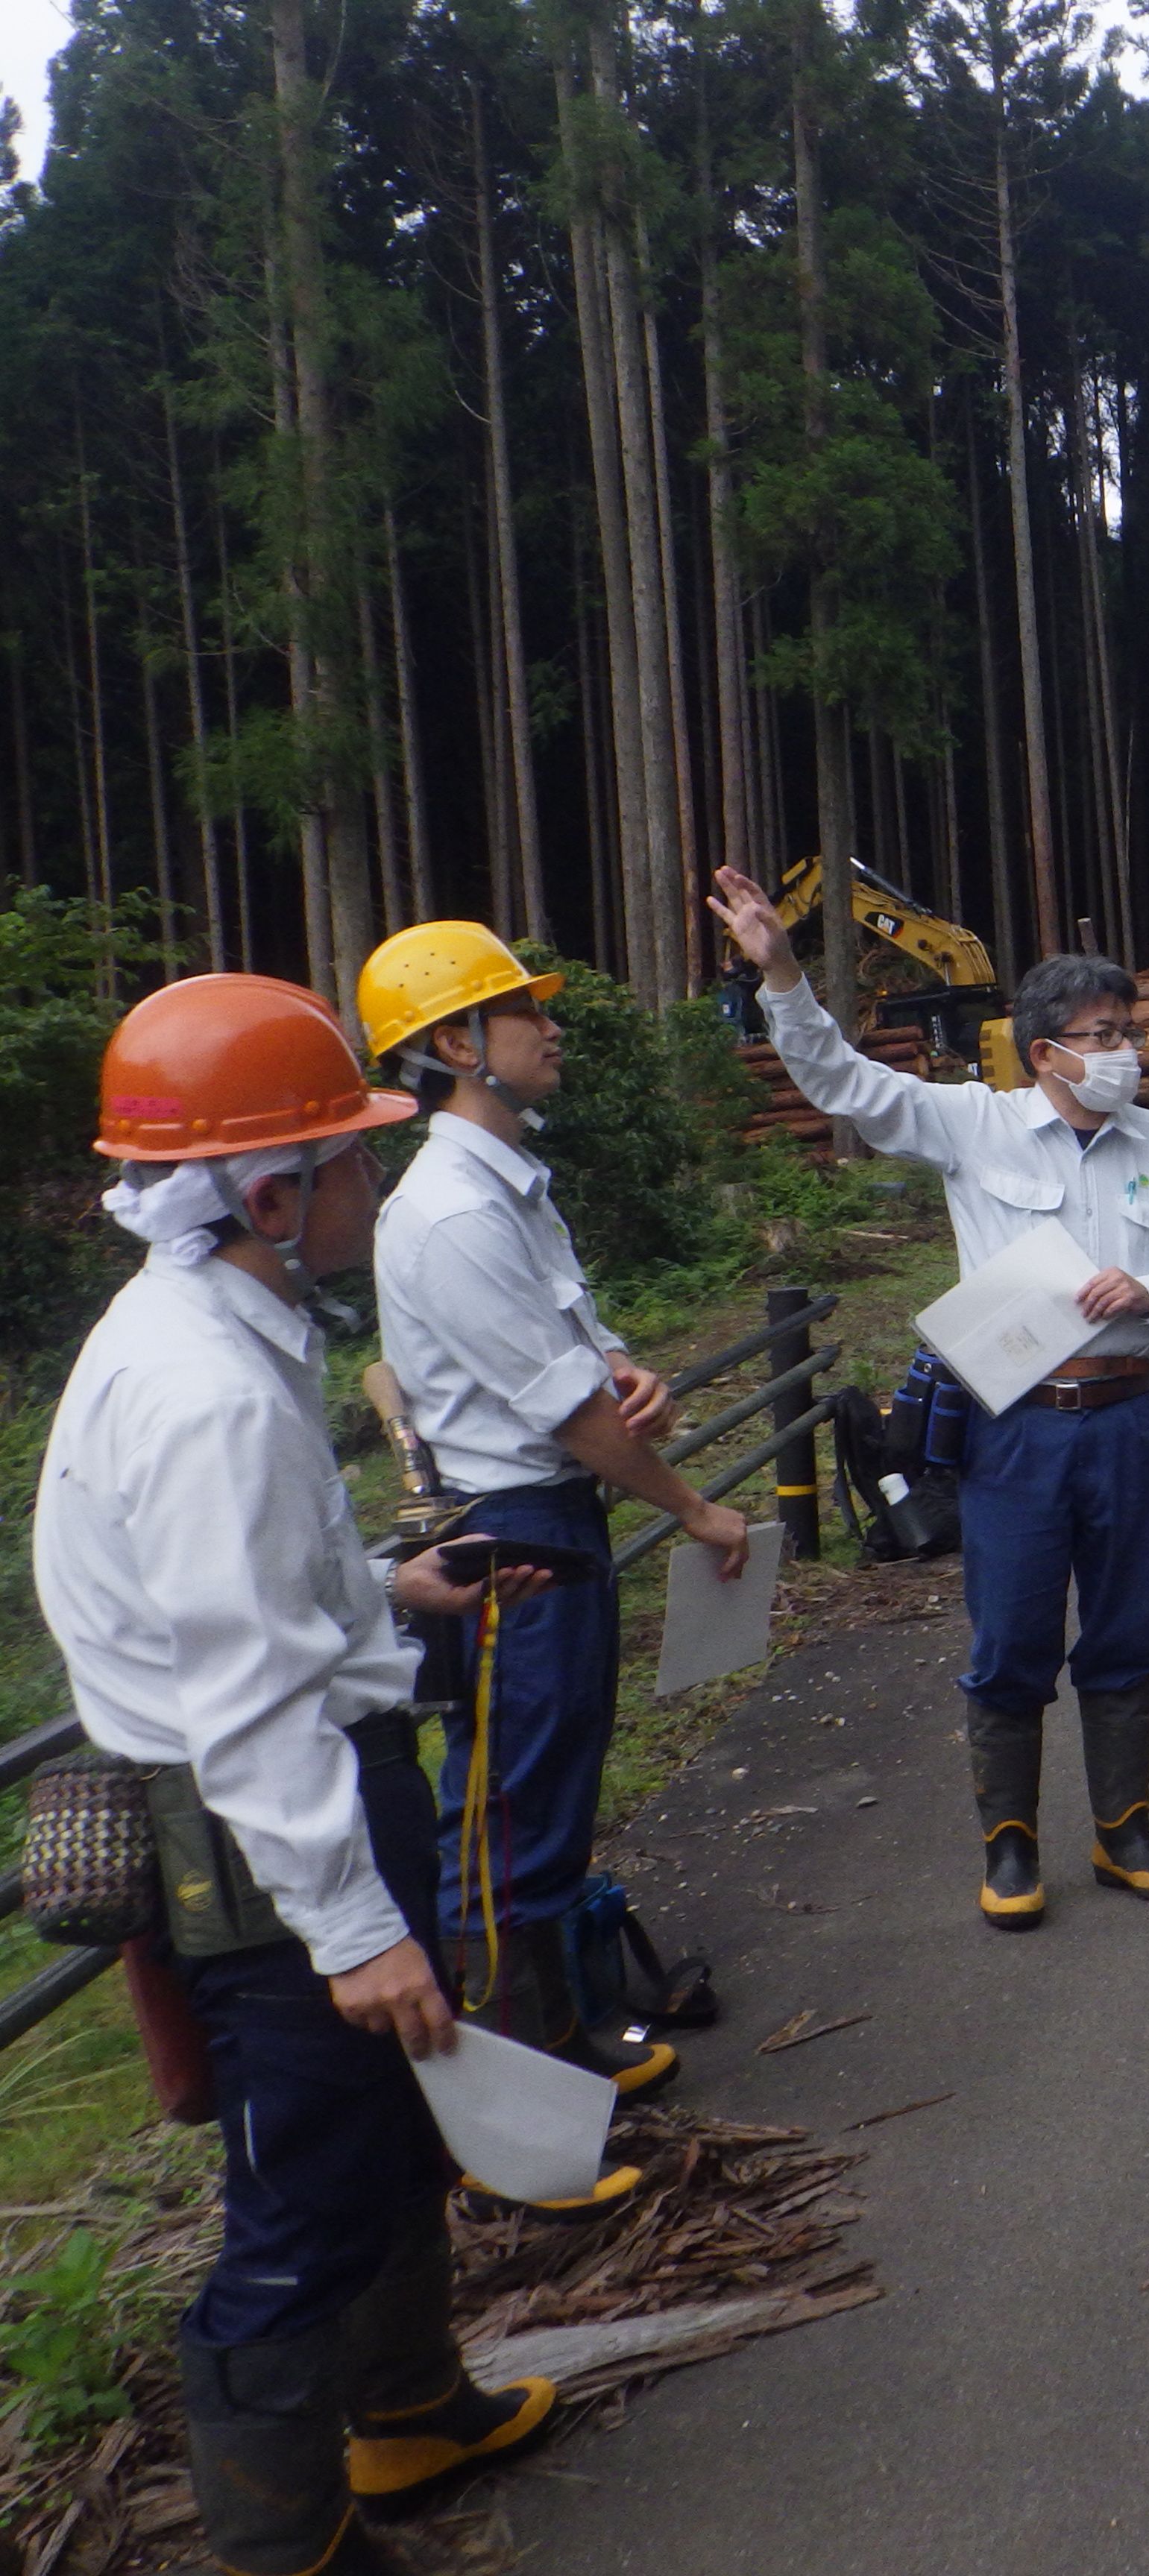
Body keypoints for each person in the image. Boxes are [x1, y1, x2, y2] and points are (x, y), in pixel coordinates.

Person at [37, 974, 560, 2575]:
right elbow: (250, 1708)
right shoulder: (203, 1395)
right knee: (298, 2207)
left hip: (315, 1795)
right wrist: (355, 1930)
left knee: (391, 2129)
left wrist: (383, 1600)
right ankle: (290, 2548)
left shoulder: (225, 1331)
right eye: (347, 1159)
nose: (369, 1183)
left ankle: (406, 2405)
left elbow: (262, 1606)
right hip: (271, 1851)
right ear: (270, 1198)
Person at [704, 866, 1149, 1927]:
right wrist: (782, 973)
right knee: (1011, 1637)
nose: (1122, 1050)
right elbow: (844, 1082)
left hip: (1129, 1419)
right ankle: (1009, 1848)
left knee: (1130, 1629)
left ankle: (1124, 1831)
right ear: (1045, 1051)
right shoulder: (972, 1126)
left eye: (1127, 1030)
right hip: (1019, 1432)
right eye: (1100, 1032)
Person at [360, 922, 747, 2099]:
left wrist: (629, 1365)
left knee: (556, 1768)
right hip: (510, 1526)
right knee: (508, 1799)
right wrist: (692, 1508)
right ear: (456, 1044)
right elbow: (566, 1416)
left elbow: (578, 1355)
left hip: (551, 1513)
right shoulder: (454, 1214)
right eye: (525, 1009)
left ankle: (556, 2031)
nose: (552, 1026)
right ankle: (514, 2081)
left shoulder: (511, 1184)